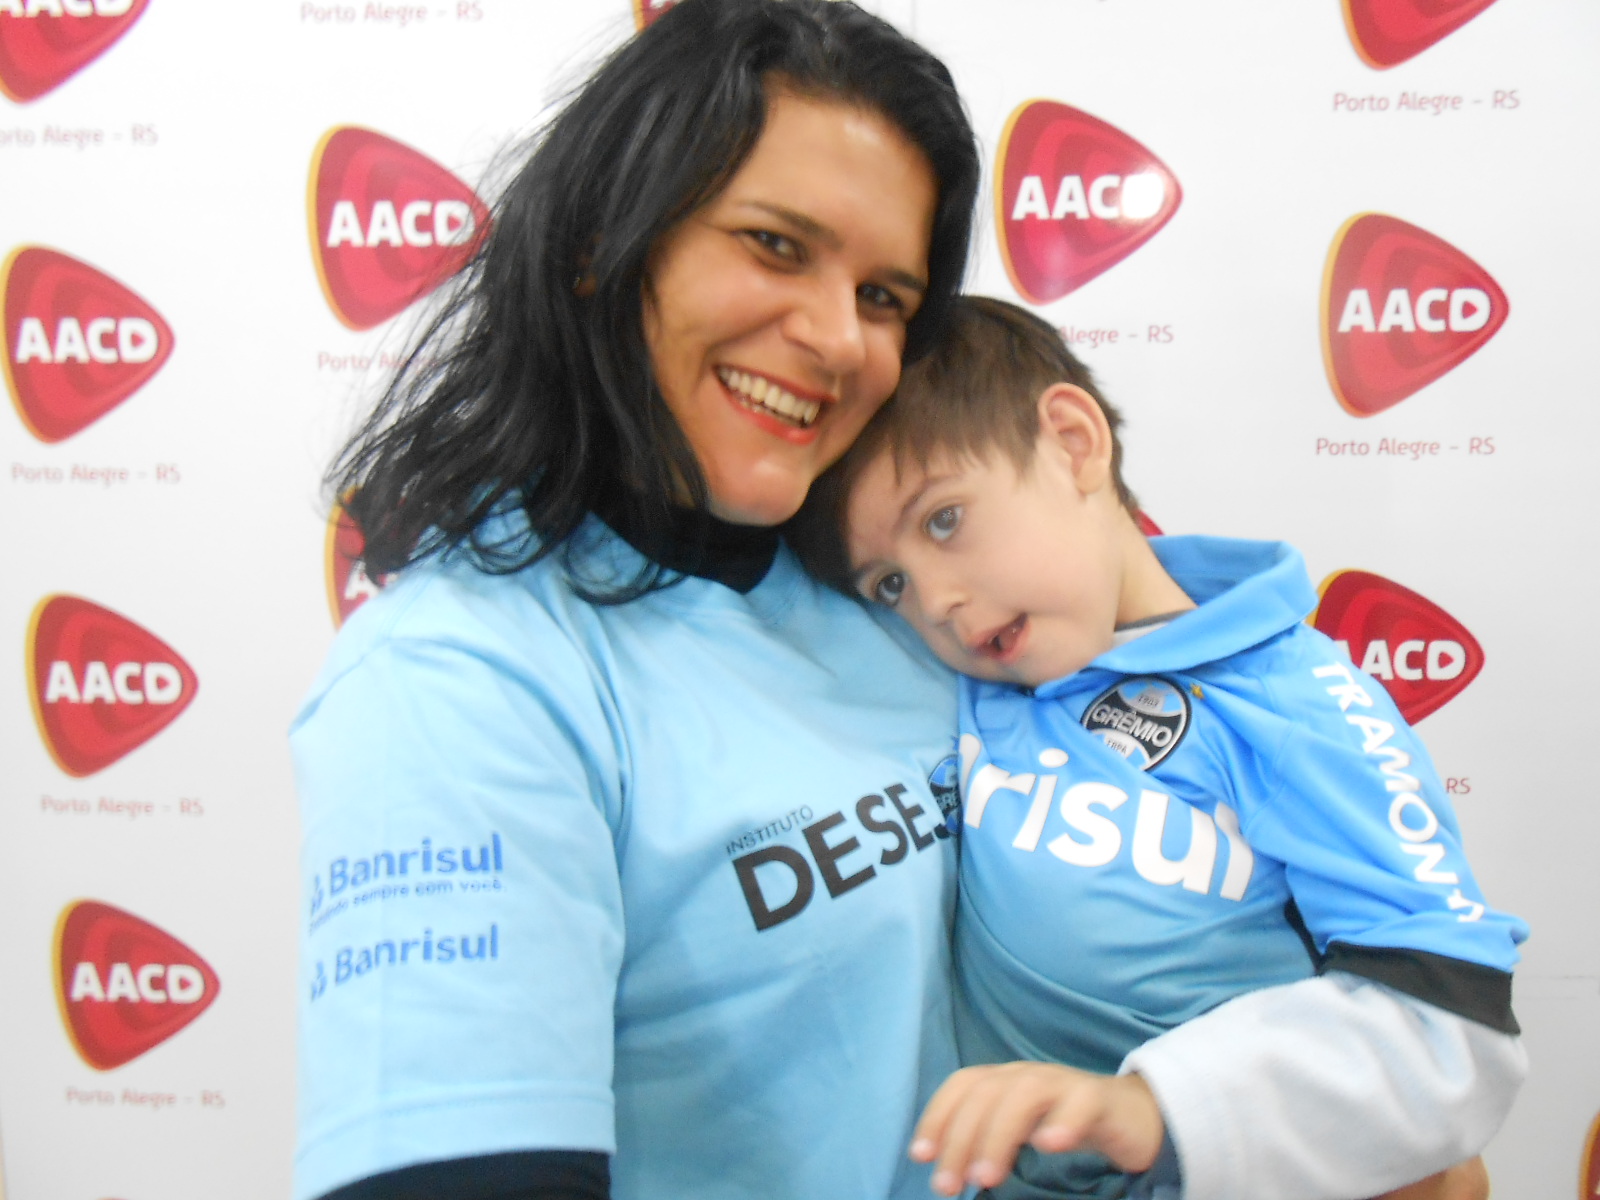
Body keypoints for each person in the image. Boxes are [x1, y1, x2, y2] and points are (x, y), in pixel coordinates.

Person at [292, 3, 980, 1199]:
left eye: (883, 296)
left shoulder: (911, 589)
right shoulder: (460, 681)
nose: (833, 338)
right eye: (774, 245)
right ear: (603, 243)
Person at [791, 295, 1529, 1200]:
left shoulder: (1295, 702)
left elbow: (1451, 1027)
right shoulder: (955, 676)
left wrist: (1154, 1109)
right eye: (891, 581)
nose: (934, 598)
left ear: (1071, 442)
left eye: (945, 518)